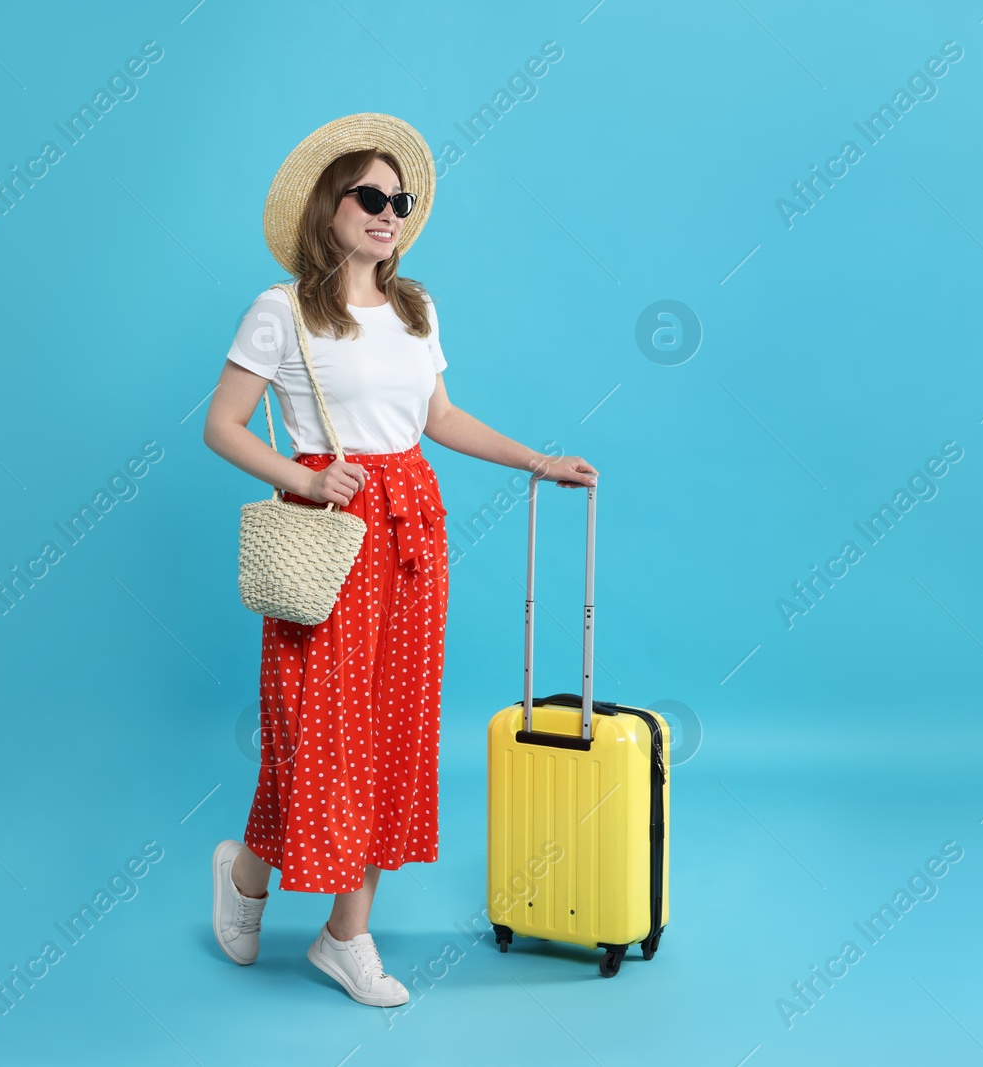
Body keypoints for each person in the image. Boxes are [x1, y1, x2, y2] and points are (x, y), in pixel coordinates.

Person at [202, 112, 598, 1008]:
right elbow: (221, 425)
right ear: (329, 209)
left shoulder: (416, 309)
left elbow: (440, 420)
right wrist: (301, 482)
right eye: (369, 197)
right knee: (320, 738)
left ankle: (346, 937)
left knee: (392, 733)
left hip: (413, 527)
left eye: (400, 200)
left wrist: (538, 459)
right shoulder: (283, 309)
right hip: (334, 531)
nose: (388, 213)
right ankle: (248, 873)